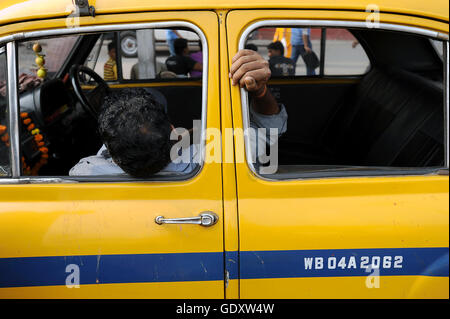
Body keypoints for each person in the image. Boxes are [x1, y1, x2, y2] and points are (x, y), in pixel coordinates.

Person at [70, 49, 287, 177]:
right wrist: (260, 91)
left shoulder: (87, 172)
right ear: (173, 131)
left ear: (114, 156)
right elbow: (268, 131)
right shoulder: (220, 157)